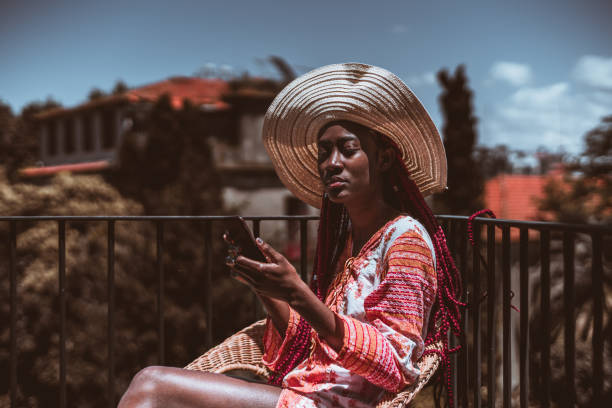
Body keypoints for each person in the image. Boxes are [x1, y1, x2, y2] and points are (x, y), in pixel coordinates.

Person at [118, 63, 463, 408]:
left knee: (151, 385)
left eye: (348, 148)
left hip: (333, 404)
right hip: (307, 393)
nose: (332, 162)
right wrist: (270, 291)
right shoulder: (352, 244)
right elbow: (311, 343)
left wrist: (298, 293)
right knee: (153, 388)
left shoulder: (406, 240)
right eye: (324, 152)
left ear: (384, 158)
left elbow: (397, 367)